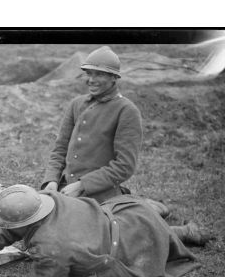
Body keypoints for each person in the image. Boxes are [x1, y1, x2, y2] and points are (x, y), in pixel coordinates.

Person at [0, 185, 206, 277]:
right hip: (129, 215)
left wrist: (33, 275)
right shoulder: (46, 199)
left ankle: (183, 232)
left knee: (155, 244)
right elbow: (5, 230)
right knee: (151, 223)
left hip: (123, 248)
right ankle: (164, 216)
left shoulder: (52, 247)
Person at [41, 46, 168, 216]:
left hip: (99, 196)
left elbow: (124, 165)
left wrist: (82, 185)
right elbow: (60, 149)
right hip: (64, 188)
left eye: (99, 74)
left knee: (95, 233)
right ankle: (144, 207)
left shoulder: (126, 111)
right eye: (89, 73)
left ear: (114, 78)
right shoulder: (76, 104)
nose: (91, 80)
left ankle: (168, 223)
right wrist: (51, 180)